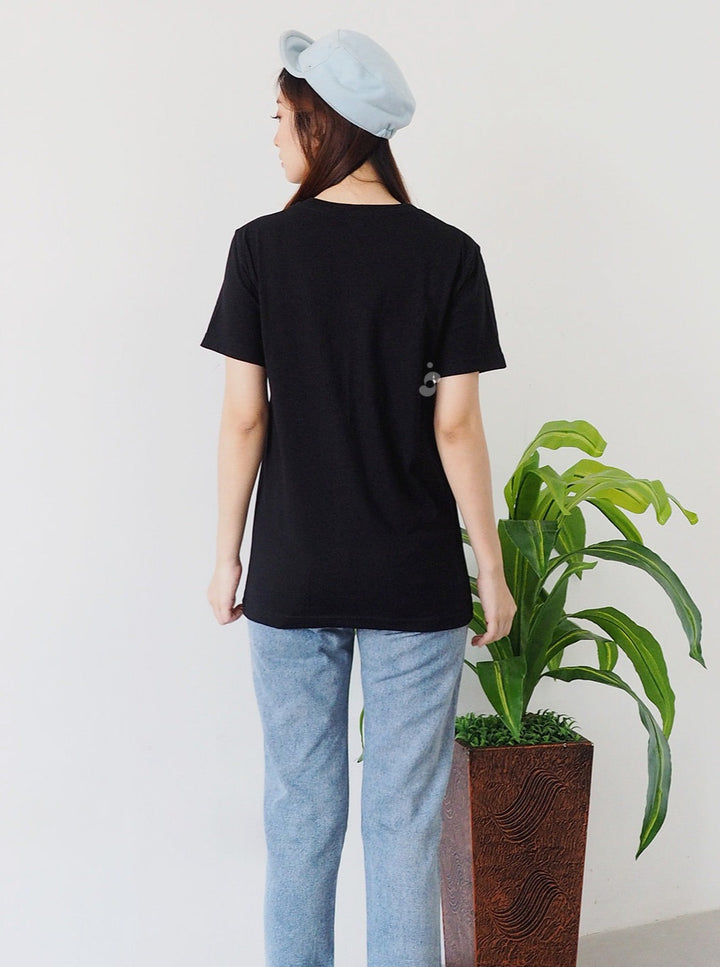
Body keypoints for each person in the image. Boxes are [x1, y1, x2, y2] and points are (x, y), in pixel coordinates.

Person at [201, 27, 517, 967]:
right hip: (413, 580)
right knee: (405, 827)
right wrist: (490, 568)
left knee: (300, 819)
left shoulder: (261, 248)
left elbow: (244, 419)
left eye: (281, 117)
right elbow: (456, 427)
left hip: (293, 575)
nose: (274, 137)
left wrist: (225, 556)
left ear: (322, 122)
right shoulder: (448, 254)